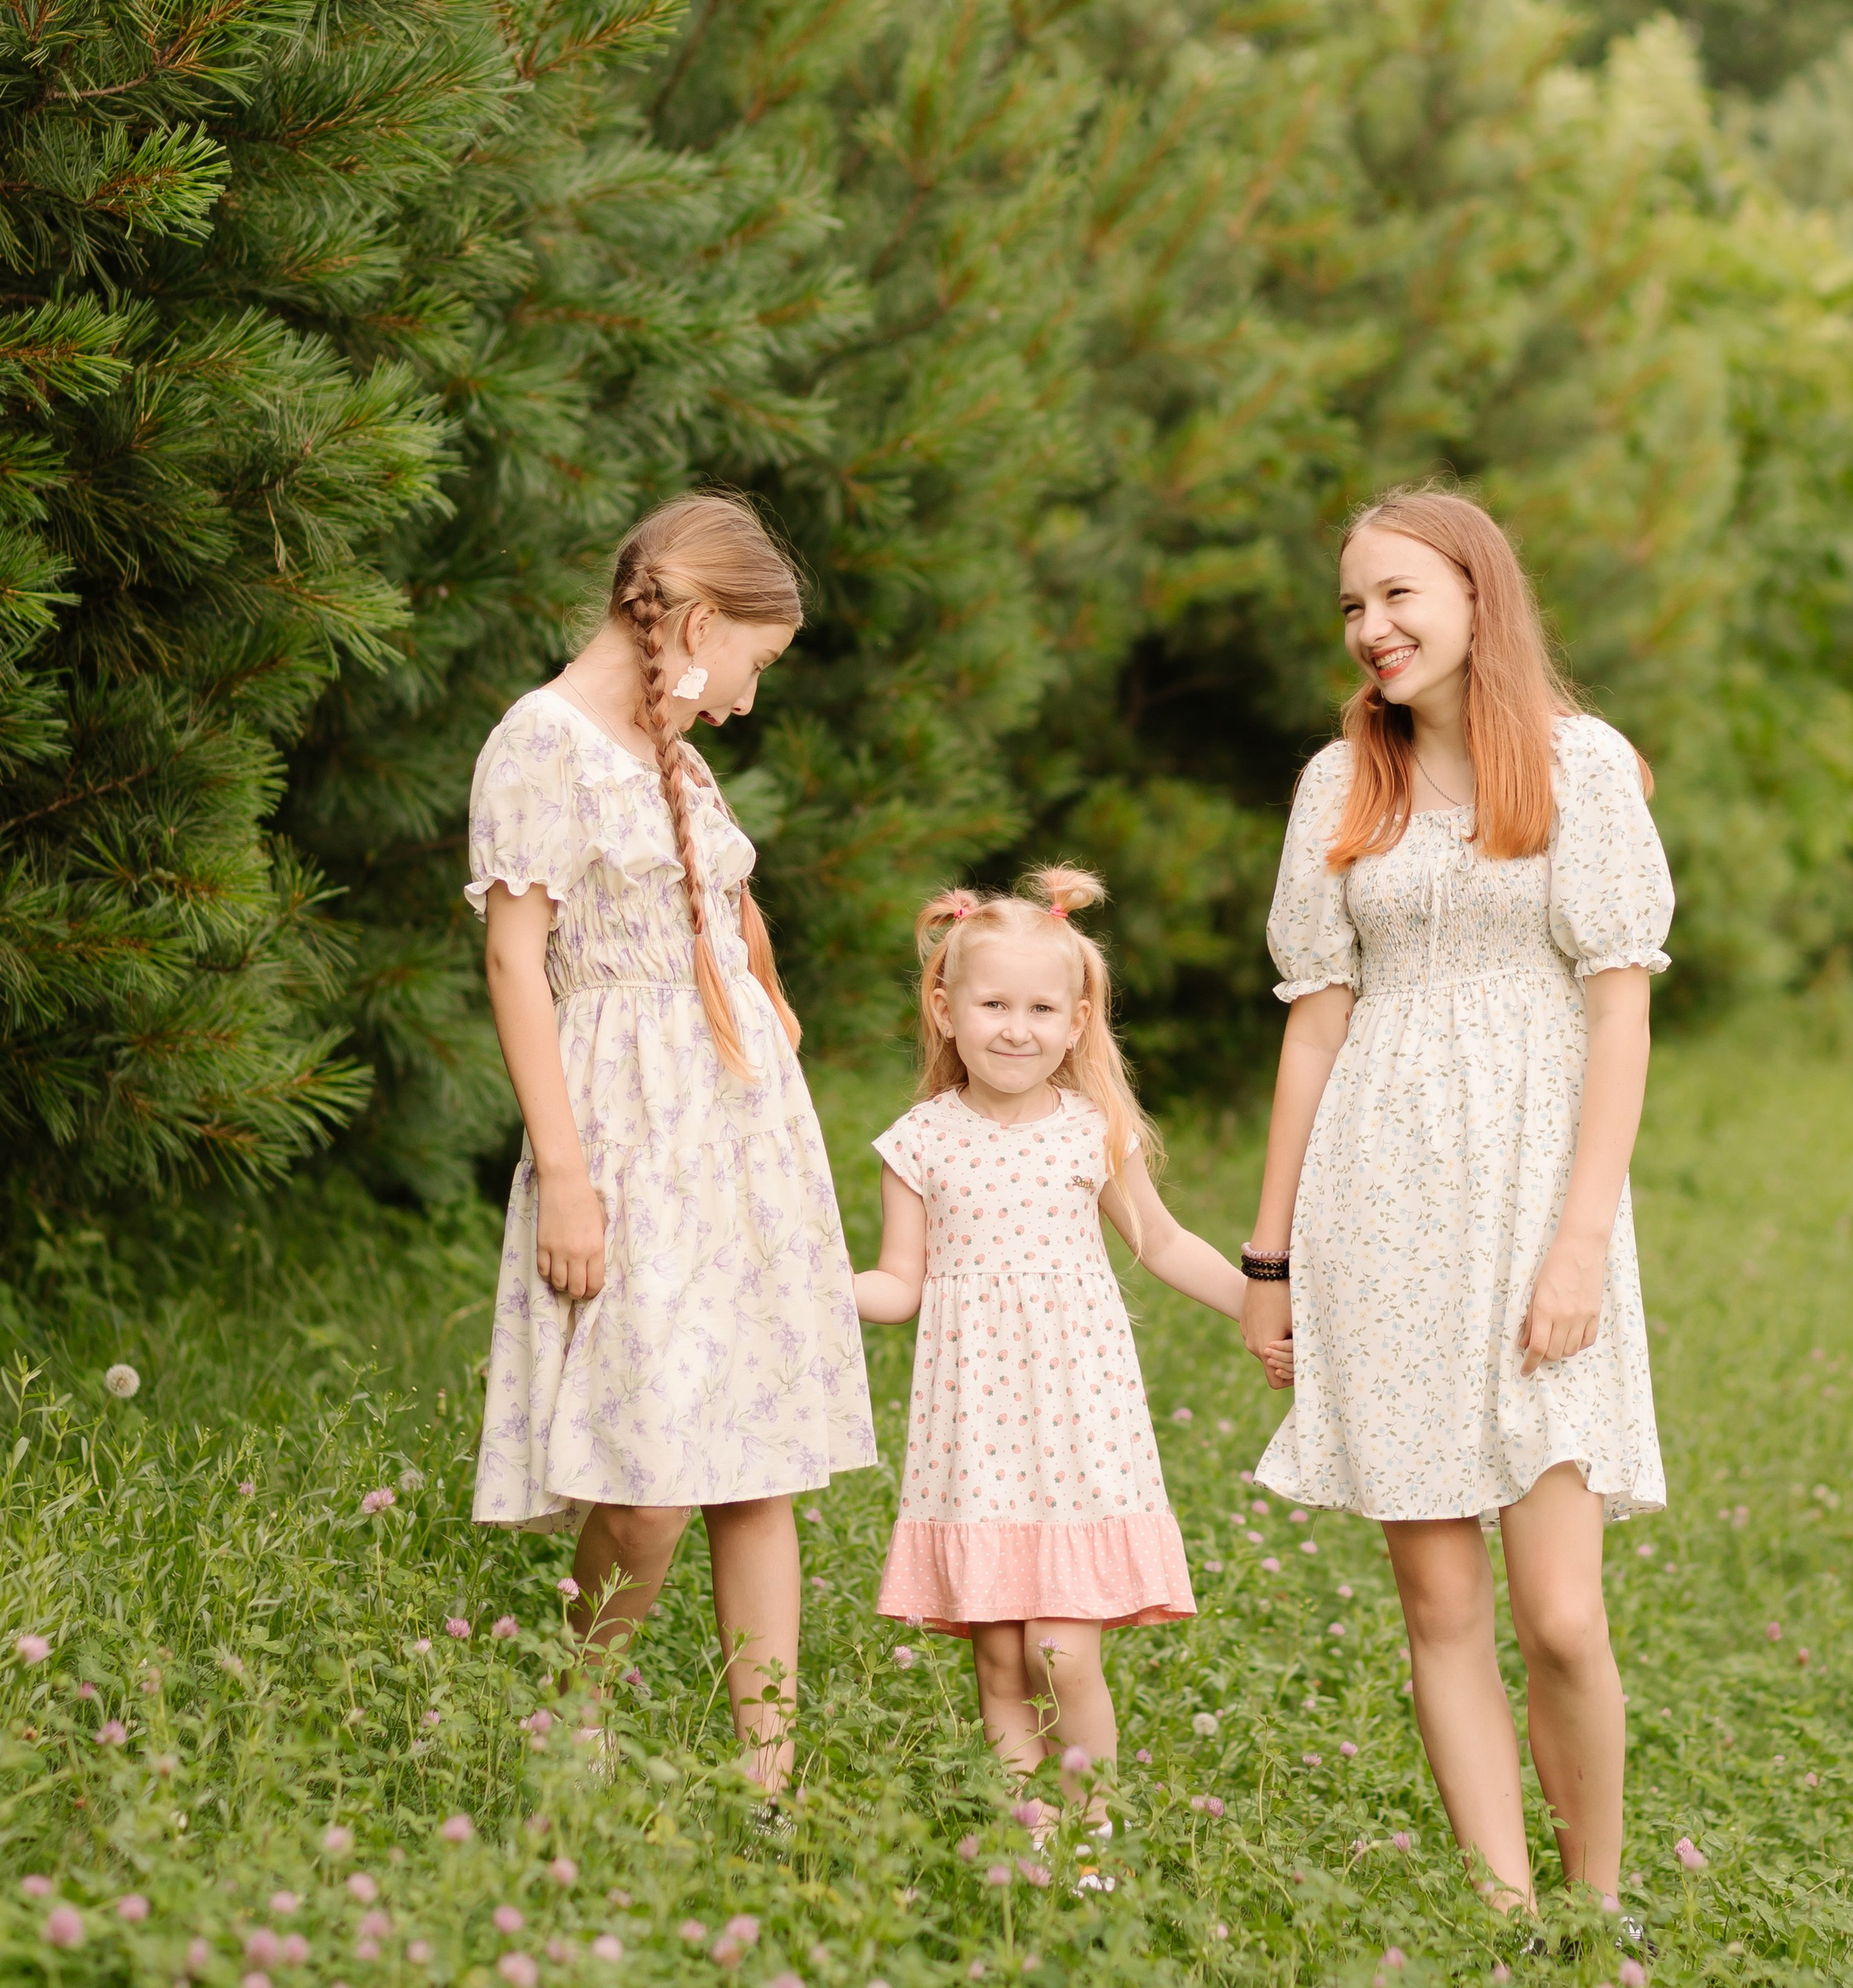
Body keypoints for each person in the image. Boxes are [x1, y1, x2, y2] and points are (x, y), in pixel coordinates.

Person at [1239, 486, 1670, 1918]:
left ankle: (1597, 1905)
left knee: (1559, 1612)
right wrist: (1270, 1257)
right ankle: (1508, 1915)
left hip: (1540, 1203)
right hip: (1380, 1207)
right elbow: (1313, 1027)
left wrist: (1579, 1250)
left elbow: (1619, 1019)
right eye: (1353, 605)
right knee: (1442, 1607)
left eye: (1400, 595)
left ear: (1479, 595)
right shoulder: (1336, 787)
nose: (1372, 628)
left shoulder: (1581, 766)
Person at [465, 490, 874, 1800]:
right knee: (646, 1476)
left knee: (753, 1457)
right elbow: (517, 964)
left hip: (733, 1126)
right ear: (699, 622)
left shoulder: (674, 755)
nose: (748, 701)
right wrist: (568, 1173)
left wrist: (764, 1005)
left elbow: (719, 904)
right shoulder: (543, 743)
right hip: (624, 1132)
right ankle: (573, 1720)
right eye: (751, 666)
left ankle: (772, 1772)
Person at [854, 868, 1288, 1830]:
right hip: (975, 1432)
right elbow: (896, 1285)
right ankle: (1026, 1833)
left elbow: (1164, 1242)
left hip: (1078, 1425)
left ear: (1079, 1016)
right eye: (993, 1004)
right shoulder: (918, 1143)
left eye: (1041, 1007)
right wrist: (809, 1293)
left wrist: (1259, 1308)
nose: (1017, 1028)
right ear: (945, 1007)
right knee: (1003, 1654)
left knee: (1062, 1651)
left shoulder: (1091, 1132)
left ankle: (1091, 1830)